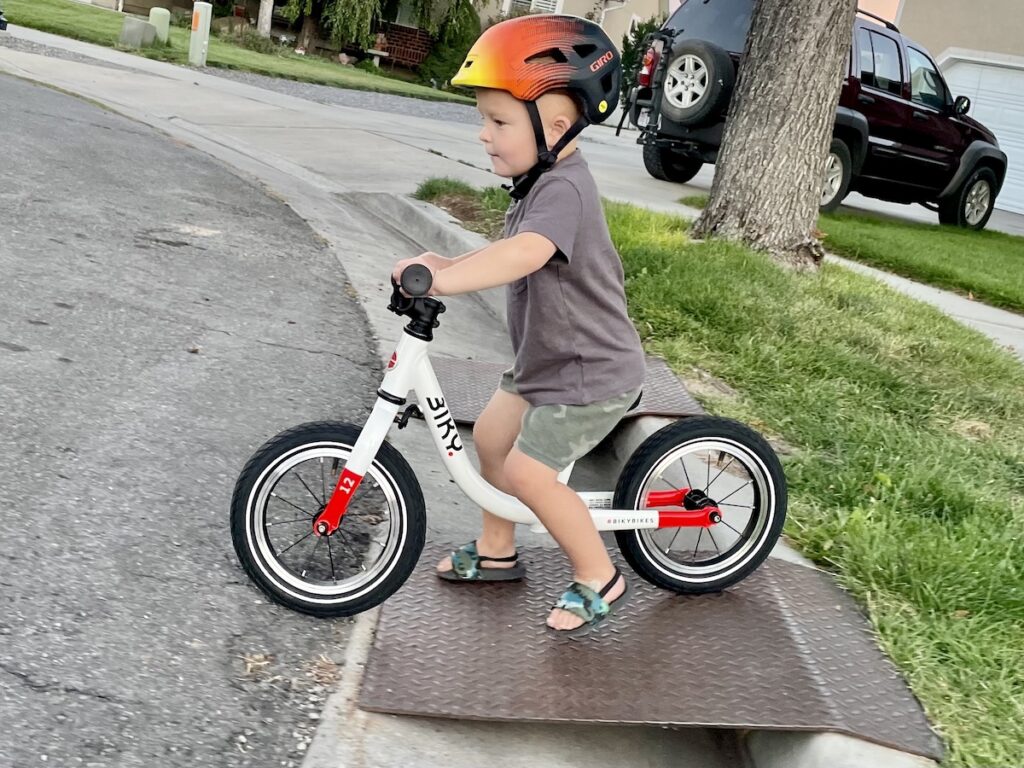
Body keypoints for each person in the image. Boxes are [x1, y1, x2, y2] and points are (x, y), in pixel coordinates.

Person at [391, 14, 646, 636]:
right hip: (544, 361)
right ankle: (498, 550)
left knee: (530, 473)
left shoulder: (564, 190)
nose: (484, 135)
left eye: (499, 122)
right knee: (491, 440)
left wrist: (446, 282)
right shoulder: (538, 183)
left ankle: (598, 574)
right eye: (485, 120)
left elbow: (526, 253)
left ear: (554, 127)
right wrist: (444, 263)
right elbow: (504, 250)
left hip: (588, 374)